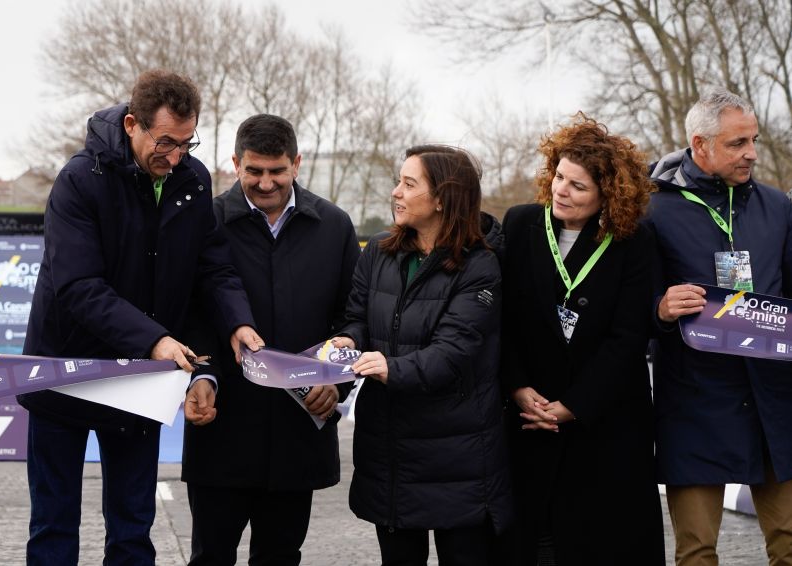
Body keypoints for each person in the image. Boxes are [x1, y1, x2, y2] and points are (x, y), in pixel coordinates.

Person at [18, 69, 262, 566]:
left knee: (132, 529)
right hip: (63, 375)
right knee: (53, 527)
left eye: (187, 143)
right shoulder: (77, 182)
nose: (175, 157)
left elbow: (211, 268)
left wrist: (237, 321)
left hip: (138, 383)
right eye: (166, 142)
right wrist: (154, 340)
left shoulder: (192, 179)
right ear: (132, 124)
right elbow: (79, 287)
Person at [181, 113, 362, 565]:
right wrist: (200, 376)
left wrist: (336, 383)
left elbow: (355, 320)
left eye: (277, 171)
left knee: (281, 556)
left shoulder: (335, 227)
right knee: (210, 556)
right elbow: (188, 316)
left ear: (297, 164)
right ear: (235, 163)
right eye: (254, 171)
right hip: (223, 426)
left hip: (298, 429)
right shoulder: (205, 222)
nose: (265, 183)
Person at [332, 144, 511, 565]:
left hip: (459, 458)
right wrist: (347, 342)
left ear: (442, 198)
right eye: (399, 181)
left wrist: (389, 368)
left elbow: (453, 353)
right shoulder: (377, 252)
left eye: (409, 184)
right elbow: (356, 318)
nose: (396, 191)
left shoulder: (481, 266)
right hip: (390, 451)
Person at [500, 114, 664, 565]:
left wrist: (573, 406)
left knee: (604, 543)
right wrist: (517, 388)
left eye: (577, 186)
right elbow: (502, 321)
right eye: (559, 176)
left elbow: (628, 337)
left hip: (605, 425)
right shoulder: (519, 225)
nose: (560, 190)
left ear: (607, 194)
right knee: (538, 542)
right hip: (531, 416)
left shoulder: (633, 240)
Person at [647, 87, 792, 565]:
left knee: (789, 543)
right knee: (697, 552)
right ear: (700, 144)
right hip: (695, 402)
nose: (751, 152)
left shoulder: (778, 207)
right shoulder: (652, 210)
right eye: (737, 143)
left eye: (753, 139)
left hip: (772, 402)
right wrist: (660, 309)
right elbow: (629, 305)